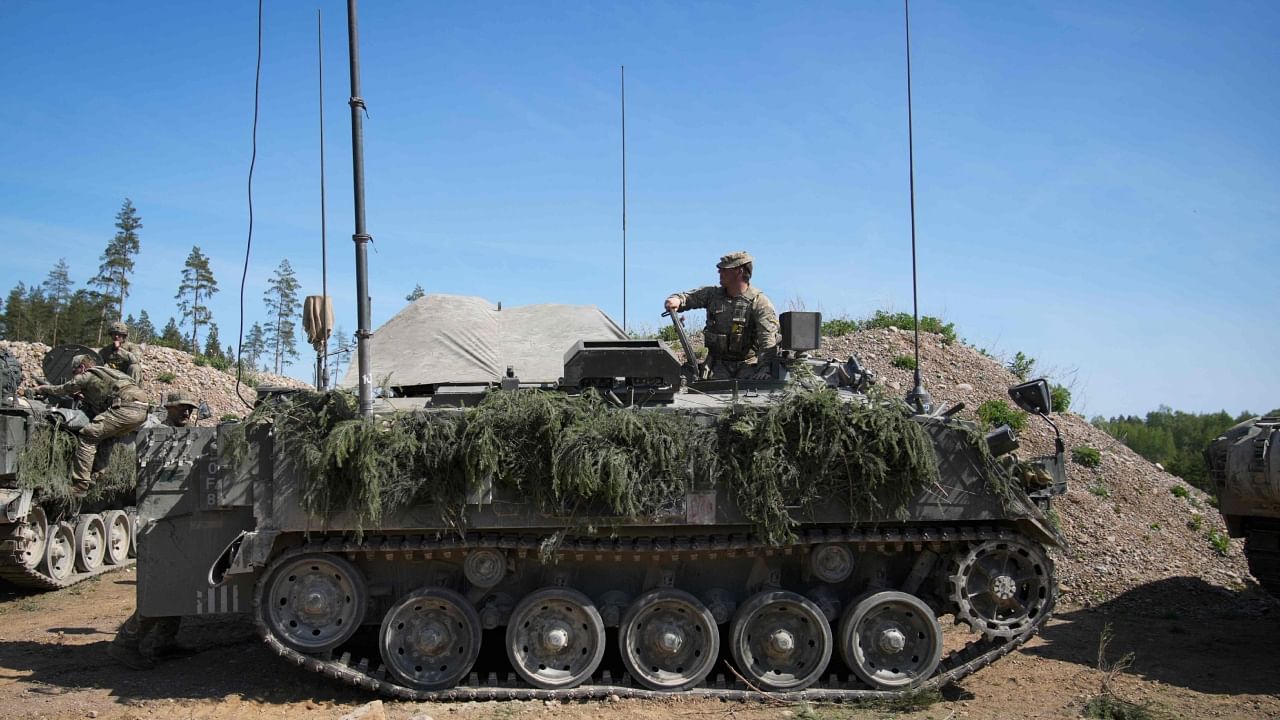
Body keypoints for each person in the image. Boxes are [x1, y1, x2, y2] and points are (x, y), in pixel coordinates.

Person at [33, 354, 149, 496]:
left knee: (88, 435)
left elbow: (64, 389)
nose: (73, 375)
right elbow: (108, 394)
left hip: (125, 409)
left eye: (74, 372)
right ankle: (95, 477)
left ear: (81, 367)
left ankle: (80, 485)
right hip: (141, 411)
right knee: (107, 437)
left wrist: (44, 388)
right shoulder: (110, 373)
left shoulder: (87, 374)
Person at [664, 251, 780, 380]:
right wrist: (676, 300)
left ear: (739, 271)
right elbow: (688, 298)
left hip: (748, 366)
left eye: (725, 270)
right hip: (716, 367)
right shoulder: (712, 295)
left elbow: (767, 341)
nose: (720, 273)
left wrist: (764, 369)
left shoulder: (760, 302)